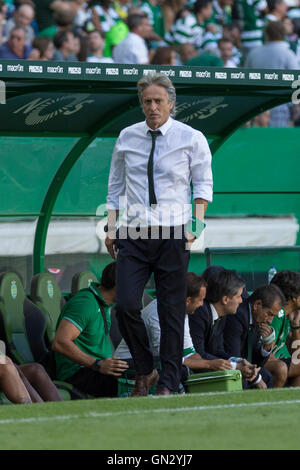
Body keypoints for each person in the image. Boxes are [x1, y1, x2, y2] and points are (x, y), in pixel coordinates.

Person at [105, 72, 213, 396]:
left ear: (171, 103)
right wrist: (111, 228)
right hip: (134, 232)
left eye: (158, 101)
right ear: (141, 103)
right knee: (124, 304)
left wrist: (194, 228)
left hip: (173, 233)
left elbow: (203, 186)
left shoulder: (191, 137)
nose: (152, 107)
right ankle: (145, 368)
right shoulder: (126, 136)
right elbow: (115, 186)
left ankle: (168, 381)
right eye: (147, 101)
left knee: (171, 311)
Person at [52, 262, 129, 398]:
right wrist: (97, 364)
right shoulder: (85, 303)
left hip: (98, 369)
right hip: (80, 372)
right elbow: (60, 342)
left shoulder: (104, 304)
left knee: (145, 372)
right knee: (134, 381)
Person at [189, 268, 272, 388]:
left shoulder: (222, 315)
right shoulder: (200, 313)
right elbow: (198, 354)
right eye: (238, 296)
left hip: (212, 364)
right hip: (198, 369)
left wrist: (238, 361)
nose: (241, 300)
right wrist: (234, 366)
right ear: (225, 299)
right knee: (242, 378)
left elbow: (218, 350)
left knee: (265, 376)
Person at [115, 273, 208, 375]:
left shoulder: (182, 311)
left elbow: (189, 352)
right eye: (200, 300)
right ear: (188, 300)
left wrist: (209, 365)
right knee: (181, 371)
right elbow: (166, 358)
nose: (202, 304)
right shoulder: (157, 313)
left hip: (153, 362)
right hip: (126, 365)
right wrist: (209, 364)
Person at [223, 283, 287, 387]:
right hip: (228, 366)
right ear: (257, 305)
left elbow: (258, 363)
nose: (270, 321)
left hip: (242, 366)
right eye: (269, 314)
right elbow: (234, 356)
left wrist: (267, 346)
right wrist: (256, 379)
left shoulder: (257, 319)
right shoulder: (238, 316)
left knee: (267, 376)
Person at [244, 21, 299, 127]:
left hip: (256, 107)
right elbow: (297, 81)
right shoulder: (288, 54)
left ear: (266, 34)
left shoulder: (254, 53)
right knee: (279, 140)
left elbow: (245, 81)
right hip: (280, 106)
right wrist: (296, 106)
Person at [268, 270, 300, 386]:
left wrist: (295, 325)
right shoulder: (276, 316)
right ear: (294, 297)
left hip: (277, 364)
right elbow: (266, 354)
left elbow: (297, 355)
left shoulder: (287, 315)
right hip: (265, 366)